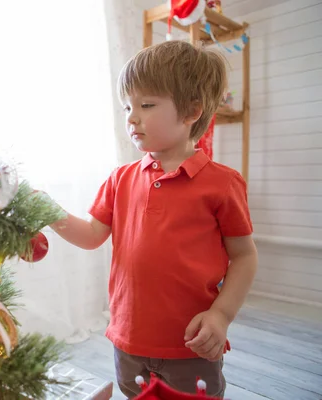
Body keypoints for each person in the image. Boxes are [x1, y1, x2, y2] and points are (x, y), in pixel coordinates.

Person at [47, 40, 258, 398]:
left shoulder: (222, 184)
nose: (131, 117)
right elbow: (91, 235)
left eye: (146, 105)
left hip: (190, 344)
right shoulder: (120, 178)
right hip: (128, 340)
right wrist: (46, 211)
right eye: (127, 106)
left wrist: (221, 315)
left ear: (192, 111)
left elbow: (244, 256)